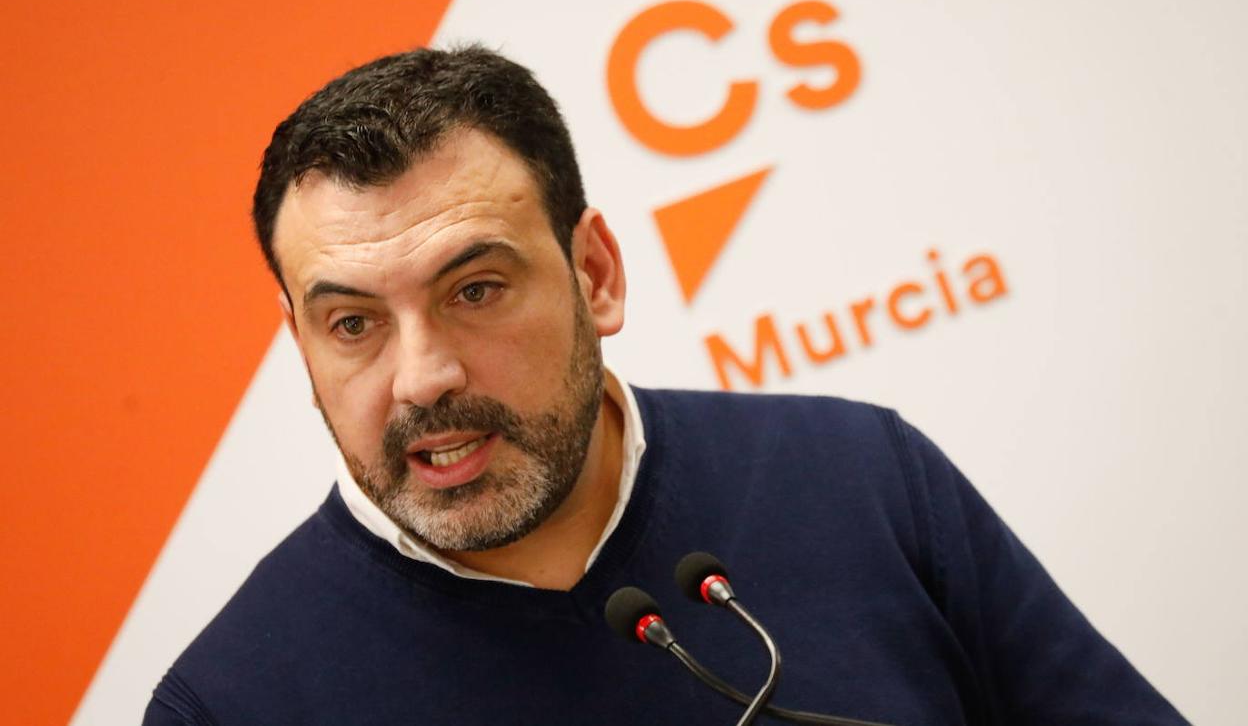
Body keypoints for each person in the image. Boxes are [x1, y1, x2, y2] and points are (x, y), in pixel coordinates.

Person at [144, 45, 1187, 725]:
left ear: (595, 275)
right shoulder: (231, 701)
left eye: (476, 290)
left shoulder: (864, 477)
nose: (421, 377)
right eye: (353, 323)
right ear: (302, 345)